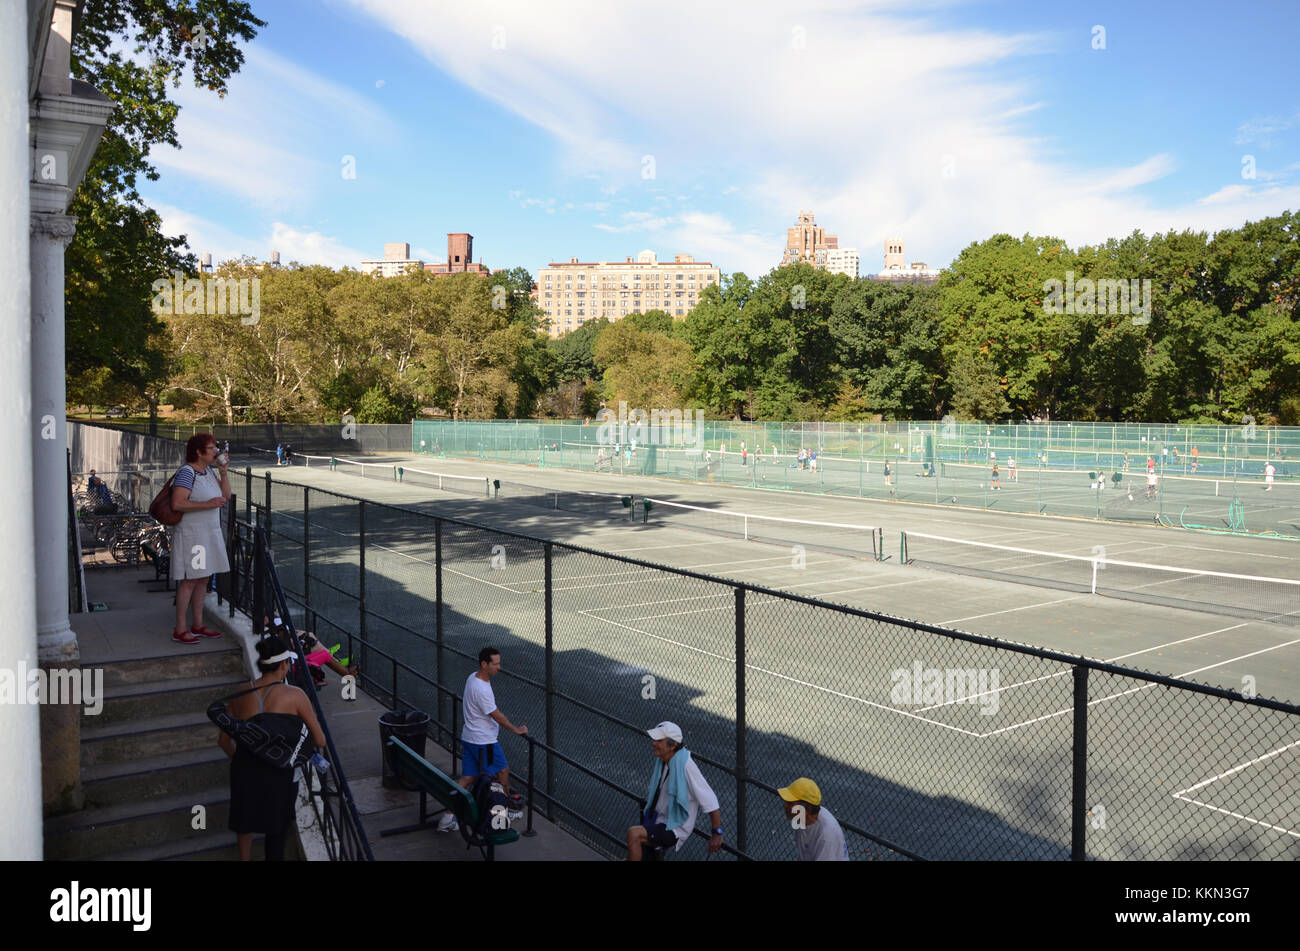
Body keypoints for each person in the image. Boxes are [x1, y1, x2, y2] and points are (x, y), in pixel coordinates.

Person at [219, 636, 326, 861]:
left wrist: (239, 759)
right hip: (281, 773)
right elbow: (320, 740)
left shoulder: (239, 693)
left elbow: (223, 742)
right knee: (277, 830)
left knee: (244, 820)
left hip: (244, 769)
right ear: (285, 665)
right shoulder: (296, 695)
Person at [626, 721, 722, 861]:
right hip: (658, 819)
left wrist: (717, 833)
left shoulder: (686, 766)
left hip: (675, 828)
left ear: (673, 745)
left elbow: (711, 800)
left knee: (634, 834)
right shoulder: (665, 761)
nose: (654, 743)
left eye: (659, 740)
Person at [170, 433, 231, 644]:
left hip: (207, 534)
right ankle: (180, 629)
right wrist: (207, 504)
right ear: (199, 452)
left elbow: (226, 496)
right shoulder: (187, 473)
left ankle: (197, 625)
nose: (216, 451)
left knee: (203, 579)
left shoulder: (207, 471)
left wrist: (224, 473)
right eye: (211, 448)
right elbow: (177, 503)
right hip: (194, 536)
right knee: (191, 580)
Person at [460, 647, 527, 800]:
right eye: (495, 664)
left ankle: (448, 817)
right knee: (503, 770)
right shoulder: (481, 690)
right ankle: (503, 809)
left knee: (468, 778)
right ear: (484, 664)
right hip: (484, 742)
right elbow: (497, 716)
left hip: (469, 737)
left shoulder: (472, 678)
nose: (499, 667)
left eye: (499, 663)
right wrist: (516, 730)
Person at [778, 777, 848, 861]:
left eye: (790, 803)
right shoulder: (803, 818)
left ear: (807, 809)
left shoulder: (826, 836)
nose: (785, 805)